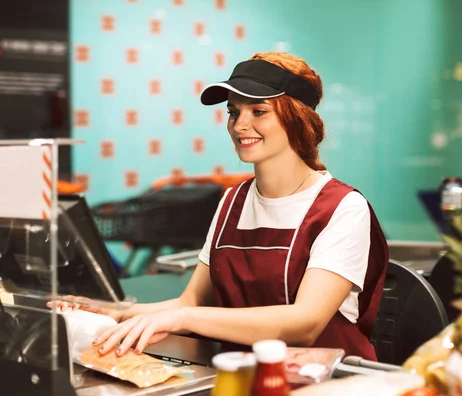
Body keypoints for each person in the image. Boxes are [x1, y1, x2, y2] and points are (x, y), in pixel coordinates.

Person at [66, 52, 389, 361]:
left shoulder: (343, 207)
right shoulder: (233, 200)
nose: (239, 125)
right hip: (243, 373)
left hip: (327, 380)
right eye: (233, 112)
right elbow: (188, 301)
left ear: (298, 120)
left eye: (258, 112)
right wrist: (113, 311)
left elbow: (305, 324)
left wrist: (185, 320)